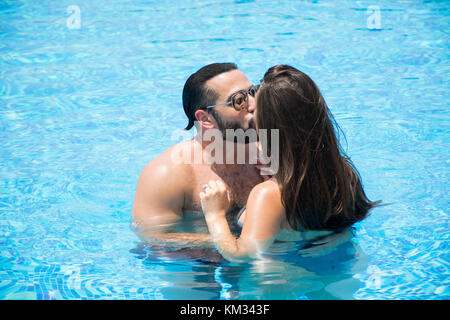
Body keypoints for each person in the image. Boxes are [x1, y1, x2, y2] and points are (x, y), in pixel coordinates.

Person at [200, 65, 382, 263]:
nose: (250, 109)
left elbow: (241, 255)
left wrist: (215, 214)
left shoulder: (269, 195)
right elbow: (353, 217)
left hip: (278, 281)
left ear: (270, 128)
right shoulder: (344, 172)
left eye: (256, 114)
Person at [131, 63, 265, 247]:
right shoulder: (165, 174)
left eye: (253, 92)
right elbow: (153, 238)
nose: (253, 104)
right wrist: (240, 243)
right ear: (205, 119)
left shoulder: (269, 153)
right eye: (239, 100)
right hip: (198, 263)